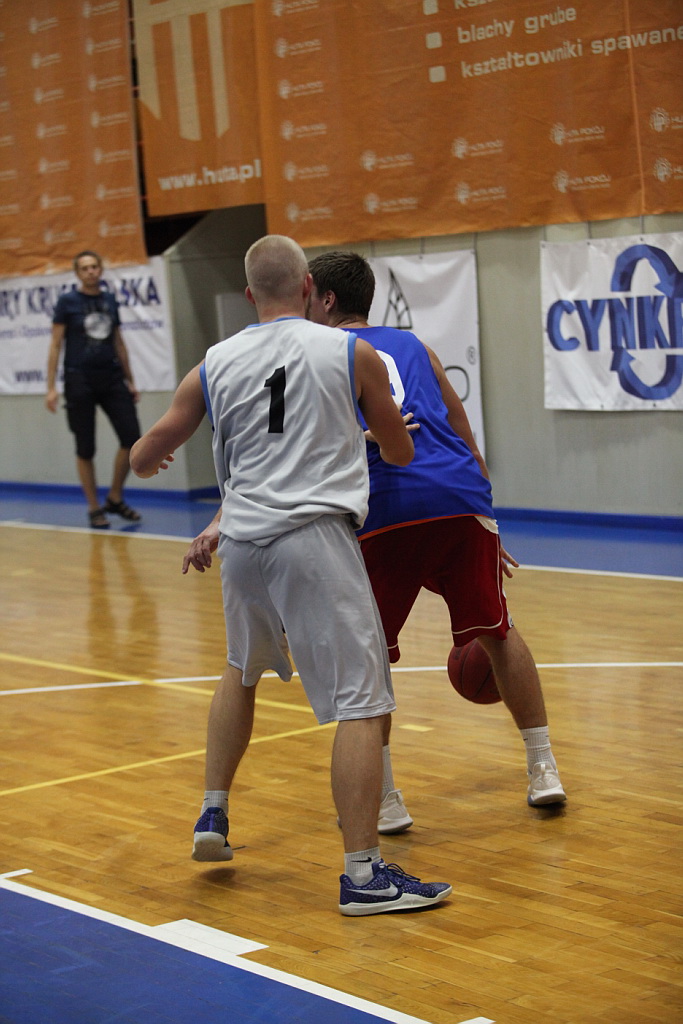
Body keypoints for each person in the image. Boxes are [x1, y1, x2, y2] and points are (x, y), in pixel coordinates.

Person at [130, 235, 451, 915]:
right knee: (363, 702)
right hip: (312, 539)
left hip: (242, 543)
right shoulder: (348, 351)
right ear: (309, 287)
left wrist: (151, 459)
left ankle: (213, 811)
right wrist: (365, 436)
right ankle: (363, 875)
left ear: (249, 294)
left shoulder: (214, 362)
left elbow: (145, 454)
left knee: (240, 670)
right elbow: (400, 450)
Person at [305, 250, 567, 825]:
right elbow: (461, 426)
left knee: (370, 661)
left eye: (308, 295)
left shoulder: (319, 353)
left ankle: (387, 799)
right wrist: (482, 515)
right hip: (458, 496)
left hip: (385, 506)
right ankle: (543, 767)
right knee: (499, 632)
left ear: (326, 299)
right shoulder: (416, 346)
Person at [46, 250, 142, 528]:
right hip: (79, 380)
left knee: (132, 438)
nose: (90, 271)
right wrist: (51, 387)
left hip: (111, 377)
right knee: (85, 447)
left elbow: (118, 341)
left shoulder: (109, 300)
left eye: (94, 267)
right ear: (78, 273)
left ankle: (115, 497)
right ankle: (93, 507)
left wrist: (130, 379)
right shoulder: (68, 302)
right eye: (85, 268)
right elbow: (55, 344)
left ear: (100, 269)